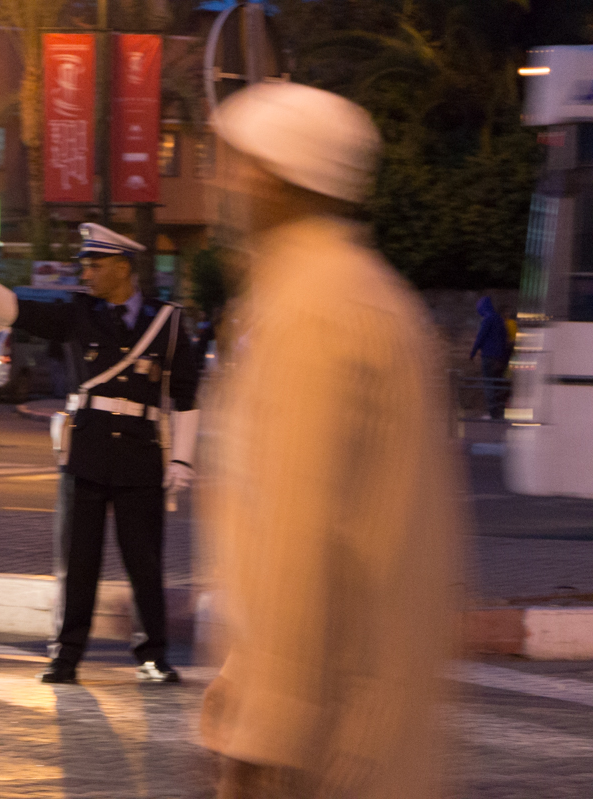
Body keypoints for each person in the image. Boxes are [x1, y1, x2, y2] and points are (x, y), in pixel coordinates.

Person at [197, 82, 461, 798]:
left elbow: (294, 528)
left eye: (235, 165)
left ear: (275, 180)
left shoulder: (309, 311)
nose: (224, 184)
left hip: (317, 740)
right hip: (365, 713)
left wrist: (267, 729)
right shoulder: (370, 294)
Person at [0, 223, 200, 684]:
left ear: (124, 268)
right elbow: (18, 312)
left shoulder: (168, 321)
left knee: (145, 561)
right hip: (85, 451)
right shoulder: (77, 313)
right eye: (85, 264)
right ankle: (66, 655)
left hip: (141, 456)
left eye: (95, 265)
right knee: (77, 561)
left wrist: (181, 459)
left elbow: (186, 396)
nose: (87, 273)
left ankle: (152, 655)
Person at [470, 295, 510, 420]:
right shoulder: (499, 319)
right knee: (498, 384)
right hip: (500, 358)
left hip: (488, 357)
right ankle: (500, 412)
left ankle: (493, 413)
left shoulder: (487, 319)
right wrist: (504, 356)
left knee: (489, 384)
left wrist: (472, 353)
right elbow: (505, 338)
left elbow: (480, 337)